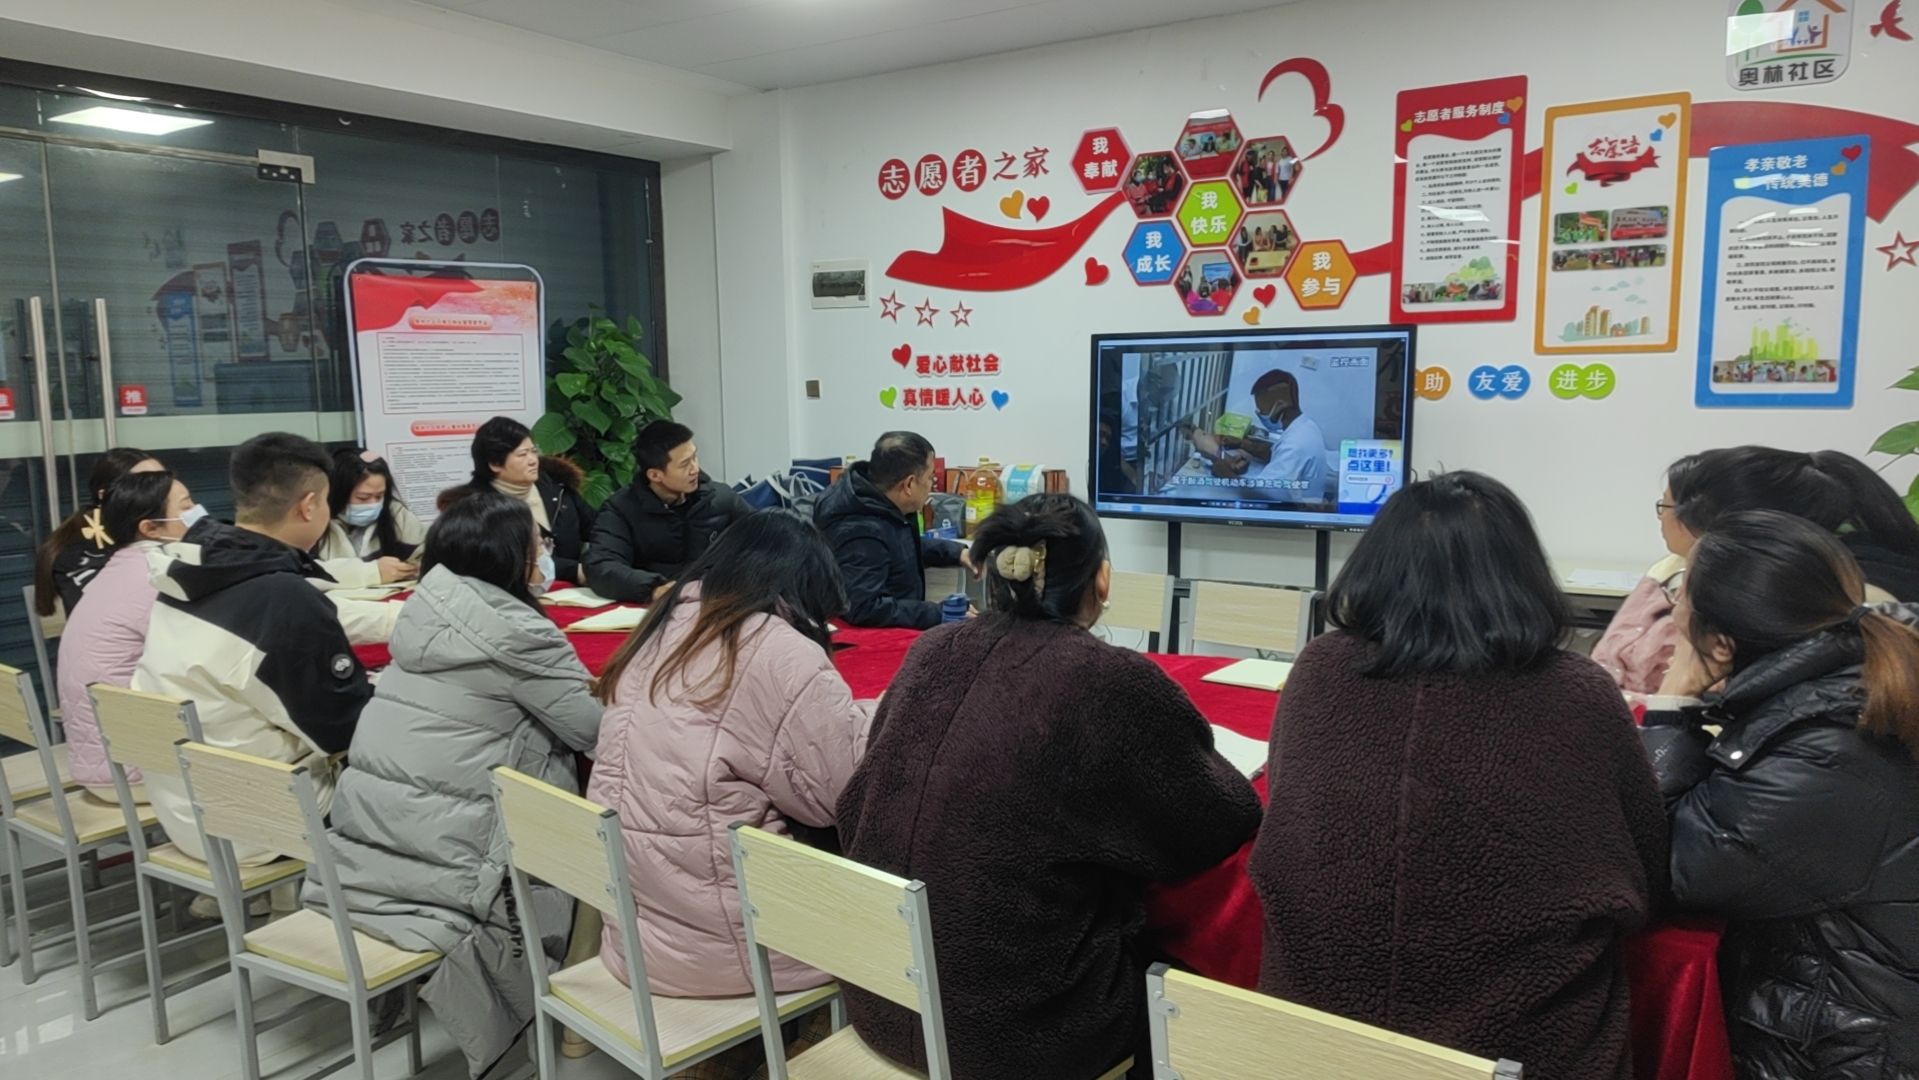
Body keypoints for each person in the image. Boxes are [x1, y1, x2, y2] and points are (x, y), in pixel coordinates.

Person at [1250, 472, 1667, 1080]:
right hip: (1527, 1053)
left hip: (1312, 1049)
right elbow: (1647, 867)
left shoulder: (1320, 669)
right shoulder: (1576, 693)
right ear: (1521, 574)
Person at [837, 494, 1262, 1079]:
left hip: (881, 994)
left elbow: (859, 801)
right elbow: (1216, 822)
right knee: (1189, 969)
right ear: (1103, 580)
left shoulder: (931, 651)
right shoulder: (1111, 681)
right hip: (1018, 1035)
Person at [309, 490, 600, 1077]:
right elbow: (594, 731)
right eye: (538, 543)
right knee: (602, 839)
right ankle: (576, 1011)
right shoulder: (518, 633)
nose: (544, 554)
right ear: (512, 558)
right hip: (453, 860)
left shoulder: (427, 609)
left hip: (369, 848)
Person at [1641, 510, 1919, 1078]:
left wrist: (1673, 703)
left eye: (1680, 593)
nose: (1672, 607)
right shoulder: (1853, 685)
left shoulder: (1825, 749)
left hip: (1846, 1049)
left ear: (1722, 645)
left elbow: (1665, 865)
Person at [587, 513, 867, 1020]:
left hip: (641, 933)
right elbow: (838, 795)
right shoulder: (777, 649)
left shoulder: (665, 625)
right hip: (734, 946)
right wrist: (875, 717)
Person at [134, 432, 374, 865]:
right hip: (266, 823)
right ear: (309, 505)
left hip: (186, 812)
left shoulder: (189, 570)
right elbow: (344, 731)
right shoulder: (281, 598)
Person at [1594, 447, 1919, 695]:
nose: (1661, 517)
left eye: (1665, 505)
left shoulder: (1836, 596)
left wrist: (1672, 700)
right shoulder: (1677, 568)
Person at [55, 470, 202, 801]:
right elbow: (201, 655)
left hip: (99, 761)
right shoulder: (157, 576)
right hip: (136, 771)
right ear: (150, 528)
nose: (198, 513)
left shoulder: (119, 568)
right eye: (187, 506)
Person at [584, 420, 751, 603]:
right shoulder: (621, 510)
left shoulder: (720, 498)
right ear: (655, 475)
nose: (695, 469)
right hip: (658, 608)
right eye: (685, 464)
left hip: (718, 601)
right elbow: (601, 566)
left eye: (694, 457)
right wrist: (654, 588)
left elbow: (765, 540)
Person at [814, 432, 969, 629]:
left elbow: (899, 547)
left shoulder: (880, 501)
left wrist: (956, 553)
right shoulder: (859, 529)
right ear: (909, 484)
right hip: (874, 639)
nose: (932, 485)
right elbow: (865, 608)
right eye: (930, 478)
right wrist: (939, 613)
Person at [443, 416, 592, 586]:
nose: (533, 460)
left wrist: (600, 563)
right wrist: (575, 571)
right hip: (517, 592)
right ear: (495, 464)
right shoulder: (476, 510)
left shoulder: (557, 486)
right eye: (522, 454)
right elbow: (509, 560)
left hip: (577, 592)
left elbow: (598, 529)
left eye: (533, 451)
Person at [32, 447, 163, 617]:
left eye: (165, 482)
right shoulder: (76, 552)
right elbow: (109, 613)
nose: (162, 492)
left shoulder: (163, 528)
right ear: (105, 495)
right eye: (146, 485)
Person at [1188, 369, 1328, 499]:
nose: (1260, 415)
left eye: (1261, 411)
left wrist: (1226, 475)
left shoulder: (1294, 445)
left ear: (1280, 405)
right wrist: (1243, 444)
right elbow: (1275, 452)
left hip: (1293, 510)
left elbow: (1262, 496)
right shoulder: (1305, 426)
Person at [313, 448, 424, 587]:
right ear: (338, 493)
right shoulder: (312, 522)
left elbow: (425, 558)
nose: (373, 504)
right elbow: (303, 574)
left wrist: (412, 569)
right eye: (363, 498)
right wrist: (373, 572)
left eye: (379, 496)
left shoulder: (397, 515)